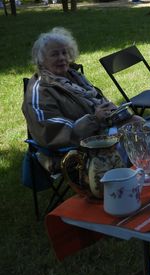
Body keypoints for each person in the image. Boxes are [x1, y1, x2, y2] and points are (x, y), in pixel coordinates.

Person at [22, 27, 135, 171]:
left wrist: (111, 111)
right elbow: (50, 131)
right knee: (132, 139)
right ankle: (132, 177)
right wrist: (95, 119)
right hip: (71, 150)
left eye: (64, 52)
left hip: (96, 132)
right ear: (42, 60)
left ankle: (144, 175)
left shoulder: (73, 76)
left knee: (139, 125)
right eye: (55, 54)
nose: (62, 58)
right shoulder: (40, 90)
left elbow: (95, 101)